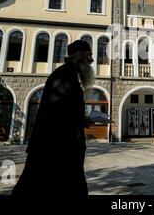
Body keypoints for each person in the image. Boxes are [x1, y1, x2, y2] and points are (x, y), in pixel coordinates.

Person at [12, 40, 95, 197]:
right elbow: (55, 113)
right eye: (89, 55)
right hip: (55, 149)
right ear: (78, 55)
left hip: (59, 148)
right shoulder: (64, 76)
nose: (91, 60)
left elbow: (63, 110)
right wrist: (76, 126)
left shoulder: (69, 75)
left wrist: (82, 121)